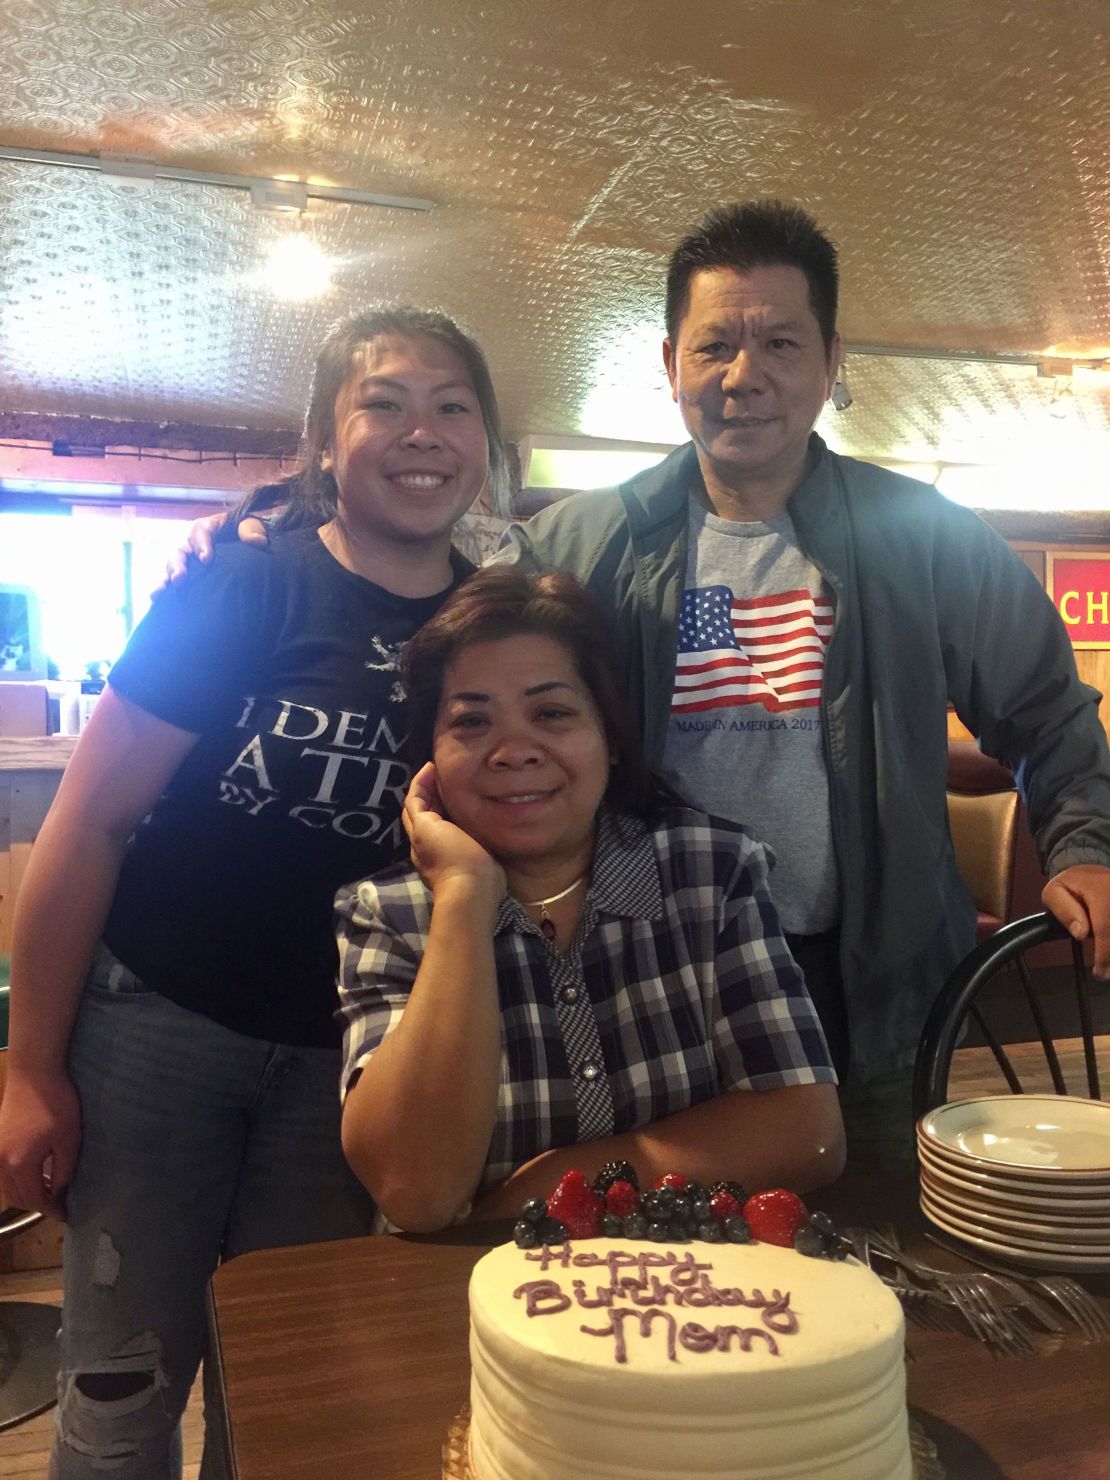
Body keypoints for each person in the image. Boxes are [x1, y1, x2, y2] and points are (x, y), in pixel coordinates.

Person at [0, 304, 508, 1480]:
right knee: (122, 1388)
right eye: (384, 401)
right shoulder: (240, 588)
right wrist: (29, 1068)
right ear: (326, 439)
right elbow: (90, 822)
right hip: (157, 1032)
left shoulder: (487, 625)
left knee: (285, 1401)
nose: (420, 430)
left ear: (487, 442)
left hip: (347, 1067)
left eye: (453, 405)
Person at [492, 200, 1110, 1162]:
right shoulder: (579, 543)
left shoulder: (926, 537)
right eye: (715, 348)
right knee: (665, 1247)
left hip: (866, 977)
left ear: (830, 363)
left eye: (781, 342)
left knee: (875, 1235)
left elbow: (1045, 710)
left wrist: (1084, 848)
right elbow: (438, 622)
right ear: (670, 367)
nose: (746, 377)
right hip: (649, 973)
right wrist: (294, 518)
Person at [336, 566, 844, 1231]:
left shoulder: (709, 871)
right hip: (461, 1309)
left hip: (690, 1299)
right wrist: (464, 896)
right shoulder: (390, 915)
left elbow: (806, 1132)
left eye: (551, 713)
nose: (514, 750)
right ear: (429, 754)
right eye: (472, 721)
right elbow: (417, 1193)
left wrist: (563, 1182)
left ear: (608, 732)